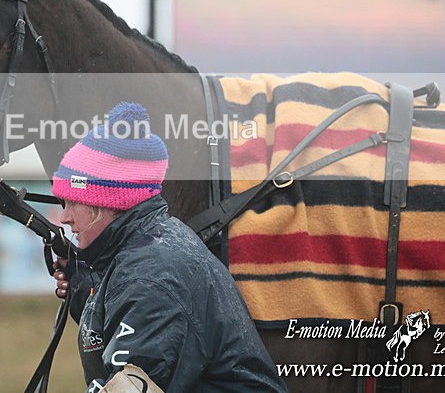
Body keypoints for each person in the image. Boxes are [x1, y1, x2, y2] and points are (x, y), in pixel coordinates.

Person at [51, 102, 286, 392]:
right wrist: (84, 286)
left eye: (74, 202)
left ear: (111, 202)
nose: (65, 217)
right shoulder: (148, 246)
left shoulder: (151, 279)